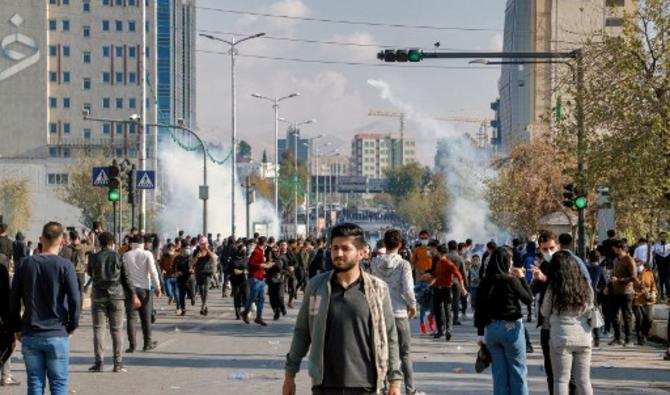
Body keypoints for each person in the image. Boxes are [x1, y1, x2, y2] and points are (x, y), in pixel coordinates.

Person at [283, 223, 402, 395]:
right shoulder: (317, 287)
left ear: (362, 252)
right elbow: (302, 332)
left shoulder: (377, 289)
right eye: (335, 248)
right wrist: (289, 375)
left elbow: (390, 335)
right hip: (324, 384)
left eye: (346, 249)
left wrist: (395, 381)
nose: (338, 254)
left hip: (367, 385)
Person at [9, 222, 81, 395]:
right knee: (59, 385)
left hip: (31, 333)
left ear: (41, 239)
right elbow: (75, 299)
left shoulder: (25, 264)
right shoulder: (66, 266)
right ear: (62, 241)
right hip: (57, 332)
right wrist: (72, 325)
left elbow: (13, 300)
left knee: (34, 383)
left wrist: (17, 327)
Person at [475, 246, 533, 395]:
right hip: (511, 329)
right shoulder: (511, 281)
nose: (512, 262)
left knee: (499, 375)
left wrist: (480, 333)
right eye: (511, 259)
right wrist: (521, 278)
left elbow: (479, 308)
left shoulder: (485, 281)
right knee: (517, 372)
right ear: (506, 261)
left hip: (492, 331)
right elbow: (528, 298)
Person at [370, 229, 421, 395]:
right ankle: (410, 389)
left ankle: (382, 387)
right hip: (399, 313)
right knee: (404, 354)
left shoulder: (374, 263)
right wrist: (412, 306)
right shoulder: (404, 264)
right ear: (400, 245)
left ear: (384, 243)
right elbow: (408, 289)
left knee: (380, 352)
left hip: (379, 314)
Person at [540, 251, 594, 395]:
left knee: (561, 380)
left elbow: (545, 311)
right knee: (583, 380)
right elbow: (590, 309)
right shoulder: (585, 286)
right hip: (583, 337)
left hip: (561, 337)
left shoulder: (554, 288)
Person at [87, 232, 140, 373]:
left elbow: (90, 273)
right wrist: (134, 295)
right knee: (116, 330)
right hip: (116, 296)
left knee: (99, 329)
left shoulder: (94, 257)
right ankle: (118, 363)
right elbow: (126, 278)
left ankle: (99, 363)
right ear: (112, 243)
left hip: (98, 296)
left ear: (99, 243)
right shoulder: (118, 256)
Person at [123, 234, 162, 352]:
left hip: (130, 291)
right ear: (142, 243)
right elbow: (153, 271)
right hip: (145, 289)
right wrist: (158, 287)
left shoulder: (125, 255)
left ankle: (132, 345)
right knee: (146, 318)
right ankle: (147, 343)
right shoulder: (147, 254)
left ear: (132, 243)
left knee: (131, 318)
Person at [428, 244, 466, 341]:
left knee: (447, 309)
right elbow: (436, 276)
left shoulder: (448, 263)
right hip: (437, 288)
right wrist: (431, 281)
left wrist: (462, 288)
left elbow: (459, 275)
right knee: (439, 310)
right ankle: (441, 330)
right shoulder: (439, 263)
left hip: (447, 289)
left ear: (438, 252)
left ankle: (448, 330)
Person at [607, 240, 637, 347]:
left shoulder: (629, 260)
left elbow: (633, 277)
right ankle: (617, 337)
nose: (613, 250)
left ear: (620, 248)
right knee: (614, 315)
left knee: (626, 315)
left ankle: (628, 339)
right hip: (615, 291)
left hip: (626, 292)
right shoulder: (616, 260)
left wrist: (619, 280)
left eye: (615, 248)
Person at [241, 236, 273, 326]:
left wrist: (266, 265)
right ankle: (245, 312)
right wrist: (262, 265)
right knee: (253, 296)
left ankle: (258, 317)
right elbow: (250, 264)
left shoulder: (261, 251)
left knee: (261, 299)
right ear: (265, 243)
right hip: (255, 277)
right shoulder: (257, 251)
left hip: (260, 277)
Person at [0, 248, 18, 386]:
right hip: (2, 316)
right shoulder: (2, 265)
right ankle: (5, 376)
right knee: (7, 343)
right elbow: (7, 298)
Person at [586, 250, 607, 347]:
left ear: (589, 258)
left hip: (584, 295)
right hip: (595, 296)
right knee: (595, 316)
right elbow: (605, 283)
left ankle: (587, 336)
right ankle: (597, 338)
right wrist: (599, 290)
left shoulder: (585, 268)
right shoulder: (600, 269)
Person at [633, 260, 656, 345]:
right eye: (636, 265)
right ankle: (640, 338)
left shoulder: (649, 273)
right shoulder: (633, 275)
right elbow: (630, 287)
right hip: (637, 299)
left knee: (649, 319)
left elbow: (653, 285)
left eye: (640, 265)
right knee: (639, 319)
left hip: (648, 299)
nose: (638, 266)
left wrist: (653, 292)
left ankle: (645, 334)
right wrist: (635, 293)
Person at [193, 237, 217, 316]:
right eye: (201, 244)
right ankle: (205, 305)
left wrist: (207, 249)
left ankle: (203, 305)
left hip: (207, 272)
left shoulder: (210, 250)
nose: (202, 246)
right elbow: (193, 262)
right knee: (201, 289)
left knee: (206, 288)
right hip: (199, 272)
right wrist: (197, 257)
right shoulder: (196, 251)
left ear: (207, 244)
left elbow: (213, 258)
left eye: (204, 244)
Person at [60, 230, 88, 299]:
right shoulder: (82, 247)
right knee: (80, 292)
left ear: (70, 239)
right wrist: (86, 235)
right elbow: (92, 246)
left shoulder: (66, 248)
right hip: (80, 272)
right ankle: (79, 308)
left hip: (70, 272)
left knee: (70, 291)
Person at [269, 241, 289, 320]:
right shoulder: (268, 260)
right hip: (271, 281)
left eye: (276, 251)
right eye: (273, 251)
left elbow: (287, 270)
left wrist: (281, 273)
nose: (275, 253)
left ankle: (282, 307)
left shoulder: (283, 258)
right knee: (272, 299)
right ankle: (276, 312)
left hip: (280, 281)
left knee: (279, 297)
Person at [228, 242, 249, 320]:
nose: (244, 251)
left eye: (245, 250)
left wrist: (246, 271)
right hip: (235, 281)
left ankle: (246, 312)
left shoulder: (247, 258)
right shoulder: (233, 259)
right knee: (237, 297)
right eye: (243, 250)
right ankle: (238, 313)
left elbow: (249, 269)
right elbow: (230, 269)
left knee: (246, 297)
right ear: (239, 250)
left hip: (245, 281)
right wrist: (238, 271)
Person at [174, 246, 194, 316]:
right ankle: (183, 309)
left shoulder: (191, 258)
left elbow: (193, 266)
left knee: (190, 293)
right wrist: (176, 272)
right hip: (180, 279)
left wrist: (192, 269)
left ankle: (192, 298)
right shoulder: (177, 258)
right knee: (181, 295)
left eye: (189, 249)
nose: (187, 250)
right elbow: (173, 267)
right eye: (186, 248)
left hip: (189, 279)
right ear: (182, 249)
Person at [654, 232, 670, 300]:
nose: (663, 238)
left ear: (666, 237)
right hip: (659, 265)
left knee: (668, 280)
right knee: (660, 280)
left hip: (668, 265)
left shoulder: (669, 245)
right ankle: (661, 295)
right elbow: (654, 256)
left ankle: (668, 294)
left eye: (664, 237)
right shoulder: (656, 246)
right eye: (661, 237)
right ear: (659, 238)